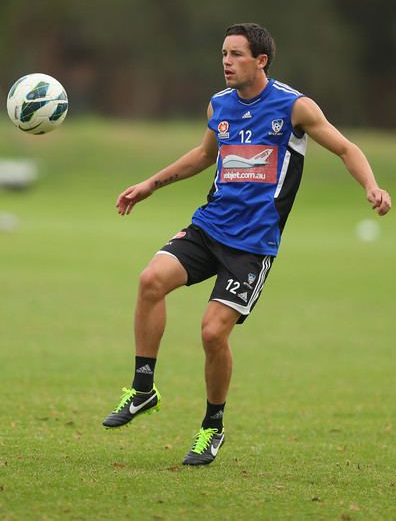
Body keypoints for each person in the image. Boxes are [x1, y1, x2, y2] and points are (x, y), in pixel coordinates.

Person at [103, 23, 391, 465]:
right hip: (209, 226)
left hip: (253, 244)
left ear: (261, 61)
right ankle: (143, 389)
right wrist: (150, 184)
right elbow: (204, 155)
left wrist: (372, 186)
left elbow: (346, 148)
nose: (226, 61)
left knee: (212, 332)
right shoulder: (219, 105)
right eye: (223, 53)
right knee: (150, 280)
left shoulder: (294, 106)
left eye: (236, 54)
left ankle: (212, 427)